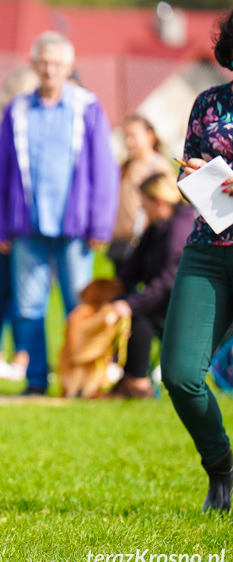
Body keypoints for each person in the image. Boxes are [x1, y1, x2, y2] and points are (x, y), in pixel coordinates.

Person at [0, 31, 119, 395]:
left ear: (69, 67)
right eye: (44, 62)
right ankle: (35, 380)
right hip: (26, 226)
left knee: (77, 308)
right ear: (33, 65)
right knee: (28, 307)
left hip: (76, 228)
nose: (50, 70)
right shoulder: (17, 110)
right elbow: (1, 171)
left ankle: (78, 381)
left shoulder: (87, 106)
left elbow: (104, 170)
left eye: (58, 64)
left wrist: (100, 222)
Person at [160, 8, 233, 513]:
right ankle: (222, 471)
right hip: (208, 251)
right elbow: (190, 173)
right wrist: (197, 178)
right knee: (181, 373)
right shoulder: (208, 104)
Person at [108, 173, 194, 399]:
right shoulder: (157, 227)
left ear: (159, 202)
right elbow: (132, 267)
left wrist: (131, 304)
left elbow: (169, 279)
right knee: (120, 308)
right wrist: (116, 294)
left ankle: (138, 383)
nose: (142, 209)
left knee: (139, 317)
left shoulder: (180, 227)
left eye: (144, 203)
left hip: (182, 304)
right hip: (162, 299)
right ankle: (125, 378)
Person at [0, 67, 38, 380]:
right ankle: (16, 358)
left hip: (1, 216)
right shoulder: (9, 123)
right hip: (10, 218)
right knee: (14, 290)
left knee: (6, 289)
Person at [108, 115, 175, 275]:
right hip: (121, 243)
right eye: (125, 137)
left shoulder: (159, 167)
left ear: (150, 136)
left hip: (146, 244)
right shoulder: (126, 167)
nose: (128, 142)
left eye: (133, 136)